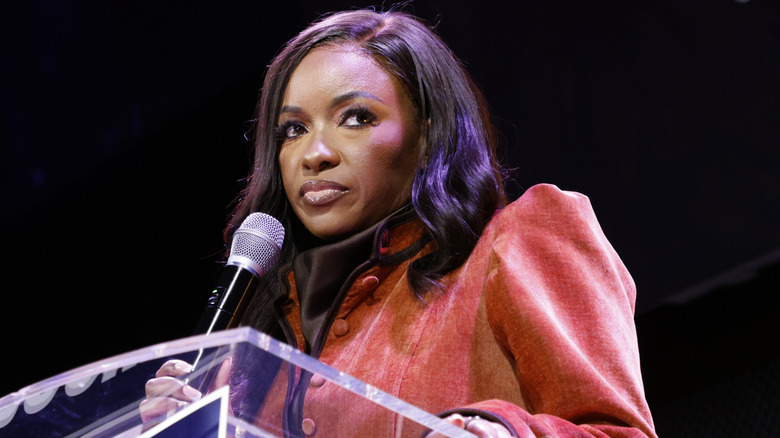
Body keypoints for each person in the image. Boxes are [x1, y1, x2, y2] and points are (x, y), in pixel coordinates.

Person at [141, 8, 657, 438]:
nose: (314, 154)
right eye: (293, 129)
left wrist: (502, 431)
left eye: (356, 117)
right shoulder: (241, 362)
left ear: (426, 134)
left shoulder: (520, 240)